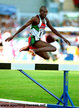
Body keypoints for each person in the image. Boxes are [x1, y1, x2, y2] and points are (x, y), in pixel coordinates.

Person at [5, 6, 70, 60]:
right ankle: (33, 49)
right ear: (40, 12)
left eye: (46, 12)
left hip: (38, 40)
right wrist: (13, 36)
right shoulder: (35, 19)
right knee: (53, 48)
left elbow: (53, 30)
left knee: (47, 57)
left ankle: (30, 48)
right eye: (43, 12)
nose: (45, 13)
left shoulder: (46, 20)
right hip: (33, 39)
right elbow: (24, 26)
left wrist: (64, 38)